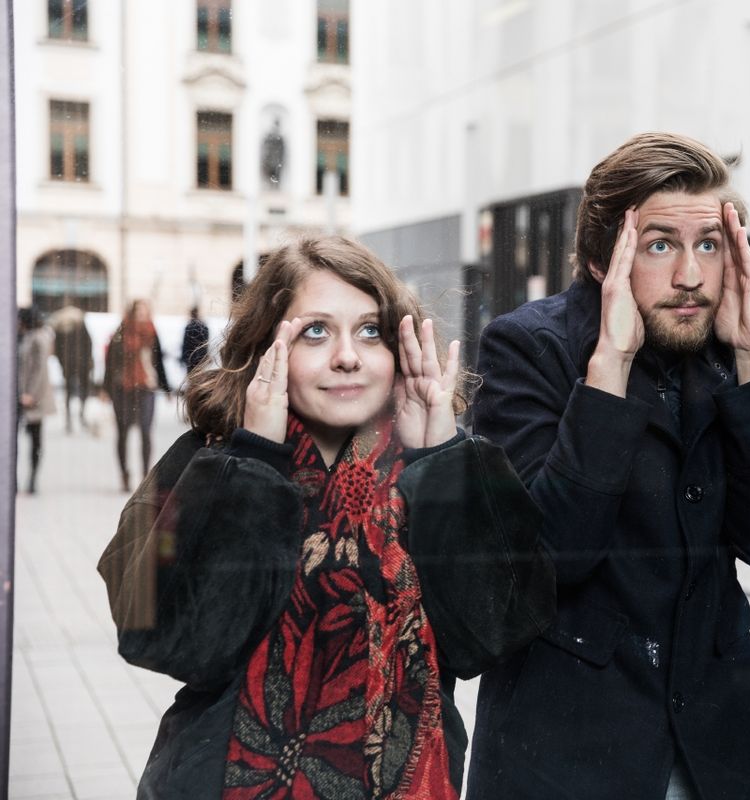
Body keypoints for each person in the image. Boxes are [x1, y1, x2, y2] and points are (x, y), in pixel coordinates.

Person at [97, 235, 548, 799]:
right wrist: (254, 462)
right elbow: (164, 639)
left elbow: (493, 635)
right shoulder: (209, 461)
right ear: (266, 347)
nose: (347, 356)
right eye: (316, 331)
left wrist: (440, 457)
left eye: (369, 331)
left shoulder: (442, 466)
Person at [466, 132, 750, 799]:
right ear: (603, 258)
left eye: (708, 245)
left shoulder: (723, 349)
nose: (690, 276)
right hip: (569, 750)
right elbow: (549, 556)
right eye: (660, 245)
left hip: (714, 746)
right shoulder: (528, 348)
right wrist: (609, 371)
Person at [103, 299, 172, 491]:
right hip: (123, 389)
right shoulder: (121, 332)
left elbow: (159, 361)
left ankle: (144, 476)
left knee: (146, 432)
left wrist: (166, 387)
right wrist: (105, 388)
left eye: (144, 311)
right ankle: (124, 473)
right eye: (138, 311)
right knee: (123, 433)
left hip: (146, 388)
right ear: (132, 313)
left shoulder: (151, 332)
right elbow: (110, 362)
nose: (141, 315)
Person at [17, 306, 56, 494]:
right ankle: (16, 478)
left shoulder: (38, 337)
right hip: (22, 395)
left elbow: (39, 369)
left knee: (35, 438)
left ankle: (33, 477)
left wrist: (30, 394)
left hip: (34, 397)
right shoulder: (25, 336)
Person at [51, 304, 93, 433]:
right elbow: (88, 344)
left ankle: (72, 418)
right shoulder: (79, 326)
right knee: (81, 391)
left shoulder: (61, 328)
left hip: (71, 365)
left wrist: (62, 362)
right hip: (80, 364)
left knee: (70, 392)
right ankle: (78, 416)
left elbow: (57, 349)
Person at [181, 305, 211, 373]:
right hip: (200, 357)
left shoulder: (189, 327)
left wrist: (184, 357)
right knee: (199, 377)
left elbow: (186, 344)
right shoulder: (203, 326)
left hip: (191, 357)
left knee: (192, 376)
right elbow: (206, 343)